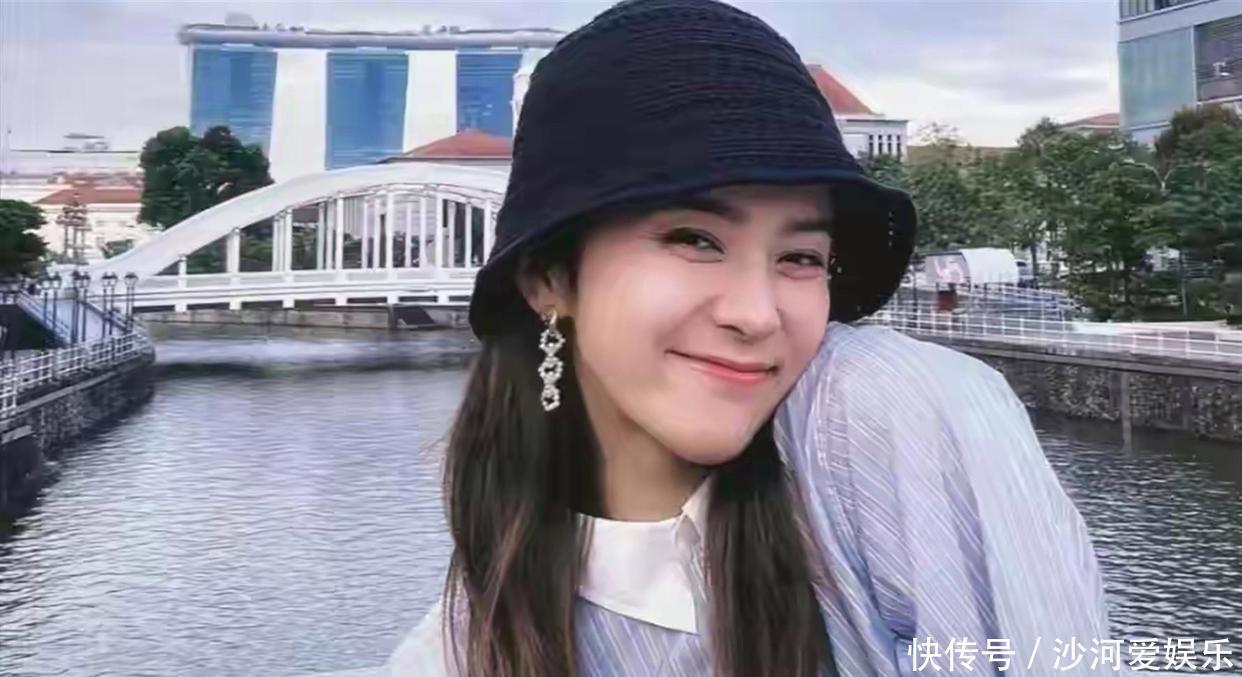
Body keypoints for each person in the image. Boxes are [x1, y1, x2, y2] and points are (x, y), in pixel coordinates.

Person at [390, 0, 1119, 675]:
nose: (757, 314)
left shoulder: (877, 410)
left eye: (800, 256)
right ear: (549, 278)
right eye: (694, 239)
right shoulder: (481, 627)